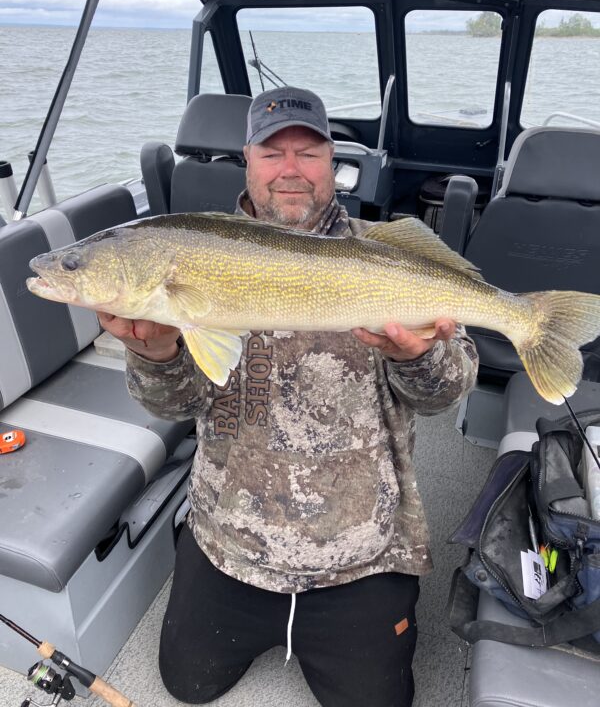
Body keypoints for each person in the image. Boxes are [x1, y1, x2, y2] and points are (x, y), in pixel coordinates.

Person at [98, 86, 478, 707]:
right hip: (229, 539)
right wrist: (156, 351)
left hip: (361, 549)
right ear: (247, 160)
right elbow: (173, 406)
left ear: (335, 164)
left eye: (310, 152)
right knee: (186, 685)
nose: (291, 169)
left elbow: (449, 390)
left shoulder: (385, 254)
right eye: (273, 154)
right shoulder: (191, 255)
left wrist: (420, 354)